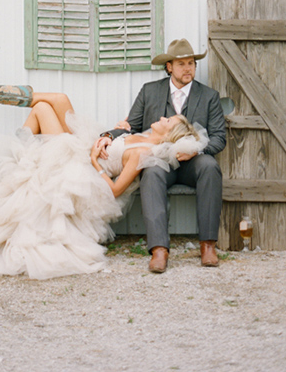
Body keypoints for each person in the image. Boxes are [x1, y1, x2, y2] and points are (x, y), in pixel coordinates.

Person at [0, 64, 207, 280]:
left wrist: (95, 161)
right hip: (84, 146)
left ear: (168, 134)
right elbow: (119, 134)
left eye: (168, 121)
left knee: (43, 110)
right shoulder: (141, 135)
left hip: (81, 166)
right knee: (58, 99)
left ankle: (23, 155)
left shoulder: (142, 153)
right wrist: (109, 135)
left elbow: (115, 190)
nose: (162, 117)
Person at [95, 38, 226, 273]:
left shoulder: (209, 96)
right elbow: (131, 126)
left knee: (210, 167)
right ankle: (159, 249)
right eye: (181, 64)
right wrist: (108, 136)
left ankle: (208, 245)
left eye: (191, 63)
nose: (188, 68)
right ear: (169, 67)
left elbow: (219, 138)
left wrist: (196, 150)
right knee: (151, 172)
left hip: (193, 162)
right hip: (159, 160)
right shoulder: (150, 91)